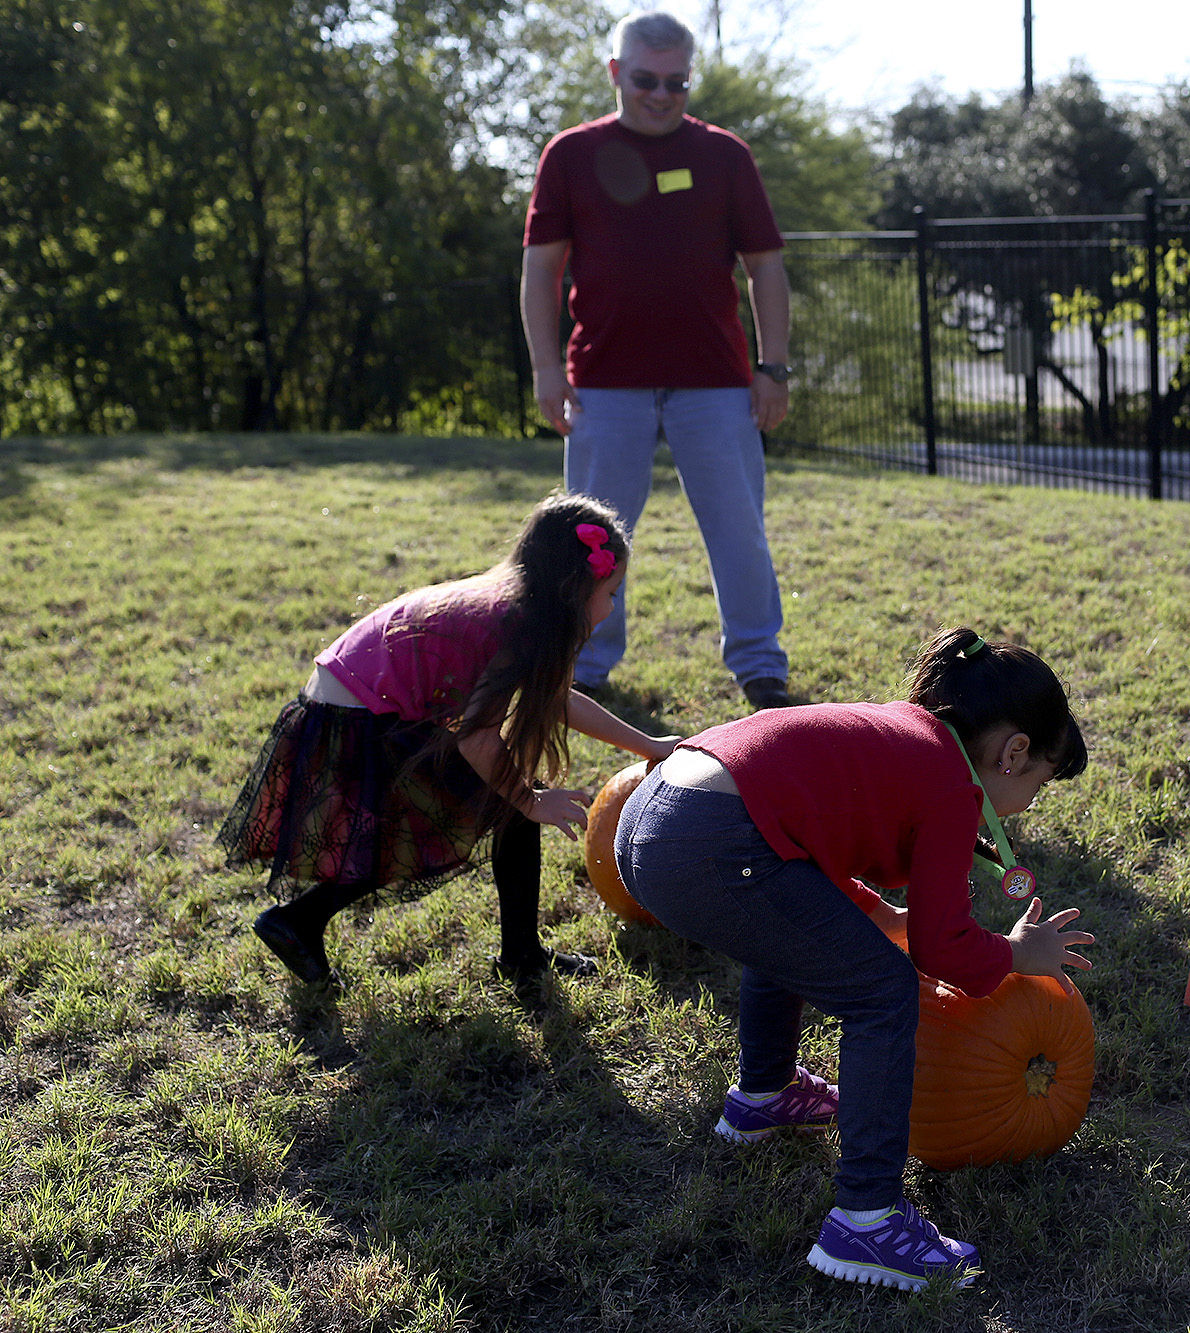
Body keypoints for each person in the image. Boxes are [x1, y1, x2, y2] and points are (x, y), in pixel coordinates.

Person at [613, 626, 1094, 1291]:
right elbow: (941, 948)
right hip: (710, 841)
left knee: (781, 927)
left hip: (651, 817)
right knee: (884, 993)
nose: (1029, 805)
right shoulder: (955, 785)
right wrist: (1016, 954)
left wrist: (886, 918)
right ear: (1014, 752)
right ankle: (866, 1221)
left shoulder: (908, 735)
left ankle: (766, 1092)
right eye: (1039, 784)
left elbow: (802, 845)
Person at [218, 495, 683, 988]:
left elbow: (556, 699)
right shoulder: (515, 623)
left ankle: (515, 953)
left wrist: (647, 743)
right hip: (356, 713)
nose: (612, 607)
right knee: (475, 811)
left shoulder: (522, 607)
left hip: (357, 698)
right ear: (574, 589)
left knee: (476, 809)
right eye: (610, 593)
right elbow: (478, 738)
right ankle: (301, 921)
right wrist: (529, 799)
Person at [521, 9, 795, 710]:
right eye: (646, 79)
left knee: (740, 530)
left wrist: (774, 366)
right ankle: (582, 664)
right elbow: (541, 269)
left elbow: (765, 266)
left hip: (716, 382)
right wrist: (547, 370)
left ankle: (760, 665)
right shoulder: (571, 155)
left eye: (678, 82)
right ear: (616, 73)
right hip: (604, 383)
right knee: (591, 541)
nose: (662, 94)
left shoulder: (725, 155)